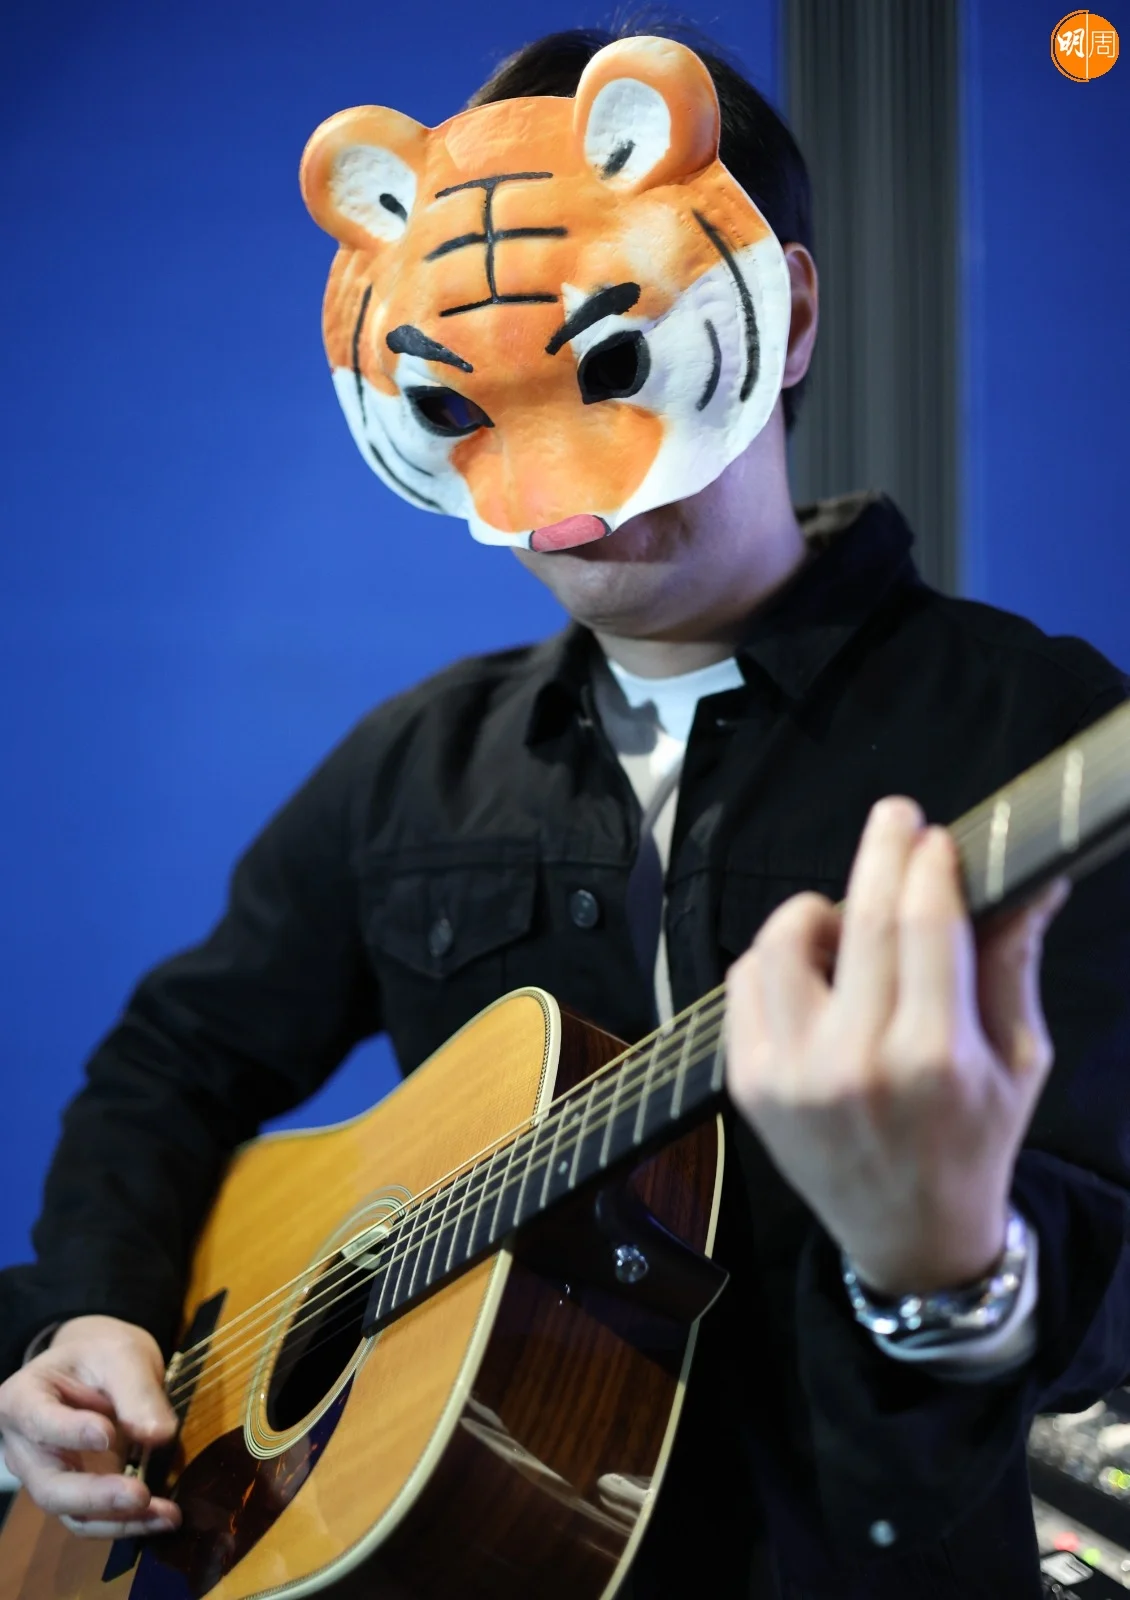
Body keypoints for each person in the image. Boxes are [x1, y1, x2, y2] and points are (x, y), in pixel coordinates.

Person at [2, 24, 1129, 1600]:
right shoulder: (417, 763)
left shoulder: (1042, 734)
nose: (560, 492)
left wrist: (953, 1266)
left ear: (787, 316)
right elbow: (169, 1062)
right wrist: (93, 1312)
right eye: (475, 400)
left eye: (608, 366)